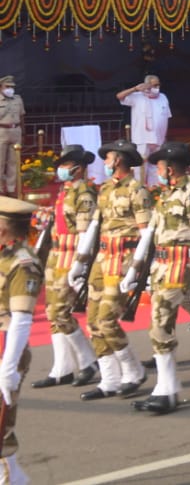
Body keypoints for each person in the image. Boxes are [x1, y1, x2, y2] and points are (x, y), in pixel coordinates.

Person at [128, 141, 190, 414]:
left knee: (160, 328)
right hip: (161, 265)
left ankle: (168, 391)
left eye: (161, 167)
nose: (158, 172)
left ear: (172, 167)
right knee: (178, 316)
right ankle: (166, 387)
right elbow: (152, 232)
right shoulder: (166, 194)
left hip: (178, 265)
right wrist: (135, 267)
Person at [72, 140, 152, 402]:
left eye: (108, 158)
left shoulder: (136, 190)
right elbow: (95, 226)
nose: (105, 162)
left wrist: (139, 270)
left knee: (107, 320)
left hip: (124, 260)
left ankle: (133, 369)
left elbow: (146, 233)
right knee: (93, 321)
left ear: (118, 160)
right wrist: (81, 261)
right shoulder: (105, 188)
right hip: (102, 258)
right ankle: (110, 379)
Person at [34, 145, 100, 389]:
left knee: (60, 312)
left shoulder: (84, 193)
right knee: (53, 312)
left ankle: (87, 360)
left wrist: (80, 265)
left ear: (78, 168)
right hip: (56, 255)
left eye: (65, 164)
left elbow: (85, 233)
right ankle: (61, 368)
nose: (60, 169)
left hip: (70, 256)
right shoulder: (66, 190)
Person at [0, 196, 42, 485]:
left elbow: (22, 319)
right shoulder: (3, 254)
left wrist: (8, 367)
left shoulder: (23, 263)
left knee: (0, 428)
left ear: (5, 228)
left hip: (4, 346)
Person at [116, 75, 171, 185]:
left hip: (158, 138)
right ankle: (139, 189)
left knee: (155, 166)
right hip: (142, 138)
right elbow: (119, 96)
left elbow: (166, 117)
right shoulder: (137, 96)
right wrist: (135, 89)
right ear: (146, 85)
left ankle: (154, 190)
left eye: (158, 84)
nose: (157, 87)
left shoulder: (163, 97)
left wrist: (164, 136)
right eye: (154, 85)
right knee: (140, 166)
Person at [0, 77, 23, 195]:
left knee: (13, 161)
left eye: (12, 87)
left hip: (15, 130)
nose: (10, 89)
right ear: (1, 88)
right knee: (0, 161)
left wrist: (22, 131)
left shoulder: (18, 99)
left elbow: (22, 115)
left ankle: (11, 188)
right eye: (7, 87)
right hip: (2, 131)